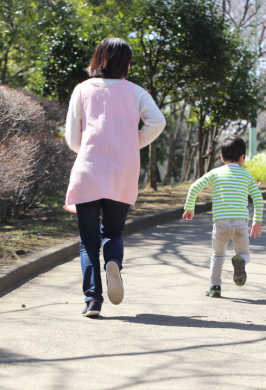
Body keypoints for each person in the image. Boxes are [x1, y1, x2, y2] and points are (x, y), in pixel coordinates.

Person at [64, 37, 166, 317]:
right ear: (126, 63)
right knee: (112, 232)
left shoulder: (82, 90)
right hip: (123, 170)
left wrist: (87, 148)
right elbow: (158, 122)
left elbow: (73, 138)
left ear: (97, 58)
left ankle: (92, 300)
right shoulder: (136, 92)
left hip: (88, 169)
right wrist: (131, 142)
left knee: (88, 240)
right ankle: (113, 262)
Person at [182, 135, 263, 298]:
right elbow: (258, 198)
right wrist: (256, 222)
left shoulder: (216, 173)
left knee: (218, 255)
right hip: (240, 224)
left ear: (221, 157)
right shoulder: (246, 175)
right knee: (244, 254)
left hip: (221, 223)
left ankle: (214, 287)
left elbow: (194, 187)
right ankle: (241, 262)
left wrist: (189, 208)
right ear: (242, 158)